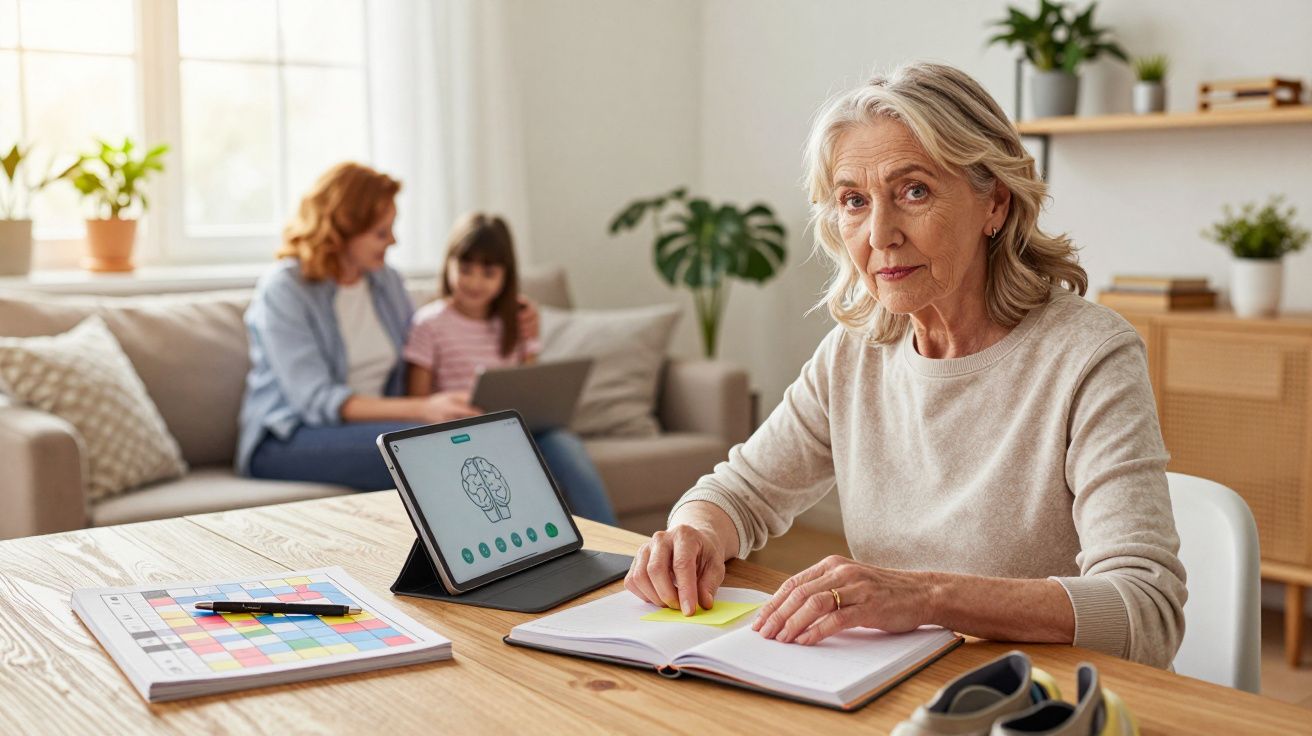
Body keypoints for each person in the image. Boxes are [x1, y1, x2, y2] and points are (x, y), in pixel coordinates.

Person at [624, 62, 1187, 669]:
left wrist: (925, 595)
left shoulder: (1090, 355)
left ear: (994, 202)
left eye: (914, 191)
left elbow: (1144, 609)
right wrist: (695, 533)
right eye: (854, 202)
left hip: (1048, 702)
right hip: (898, 686)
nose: (880, 233)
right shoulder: (854, 353)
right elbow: (741, 492)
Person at [236, 163, 616, 525]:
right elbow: (317, 400)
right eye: (381, 232)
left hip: (382, 423)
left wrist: (508, 319)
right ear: (343, 229)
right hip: (289, 438)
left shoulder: (384, 282)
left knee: (538, 442)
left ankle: (620, 565)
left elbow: (422, 350)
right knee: (424, 455)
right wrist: (422, 408)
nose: (393, 240)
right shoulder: (285, 289)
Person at [402, 212, 617, 524]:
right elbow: (417, 401)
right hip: (462, 433)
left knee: (564, 444)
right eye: (465, 269)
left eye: (488, 272)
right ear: (448, 265)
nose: (475, 281)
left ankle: (621, 552)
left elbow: (530, 382)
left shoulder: (517, 321)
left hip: (513, 428)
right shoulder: (429, 323)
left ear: (505, 275)